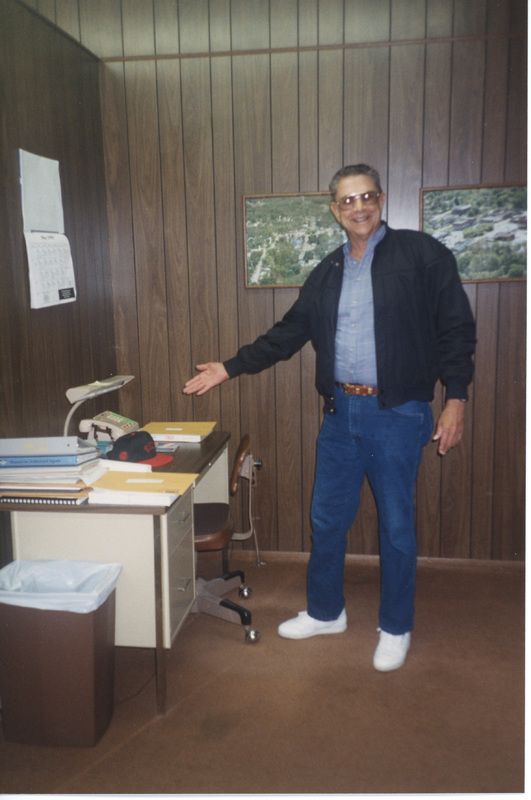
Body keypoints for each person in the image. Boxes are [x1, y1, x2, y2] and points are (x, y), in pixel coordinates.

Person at [183, 164, 476, 672]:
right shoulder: (328, 271)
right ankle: (325, 613)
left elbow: (456, 330)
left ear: (380, 200)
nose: (358, 207)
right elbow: (287, 334)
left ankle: (396, 627)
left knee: (397, 527)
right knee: (327, 520)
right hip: (341, 413)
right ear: (335, 210)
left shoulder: (422, 255)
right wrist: (229, 367)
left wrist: (456, 399)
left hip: (398, 411)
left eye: (367, 197)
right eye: (347, 200)